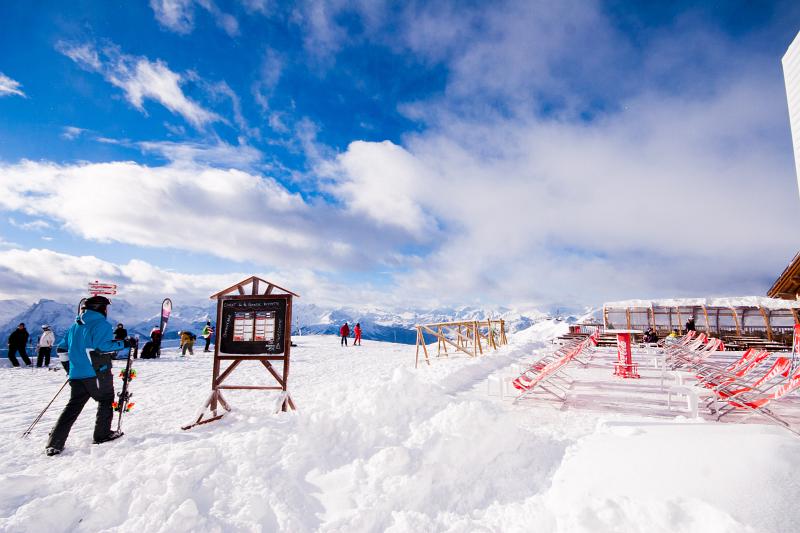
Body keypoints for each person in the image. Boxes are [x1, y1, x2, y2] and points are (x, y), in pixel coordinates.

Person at [45, 296, 132, 456]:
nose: (107, 310)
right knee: (105, 400)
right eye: (106, 307)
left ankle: (55, 443)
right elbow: (102, 347)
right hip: (97, 373)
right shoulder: (101, 324)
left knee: (73, 406)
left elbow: (62, 349)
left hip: (77, 374)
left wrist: (70, 368)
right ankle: (102, 435)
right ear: (100, 308)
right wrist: (125, 343)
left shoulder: (74, 326)